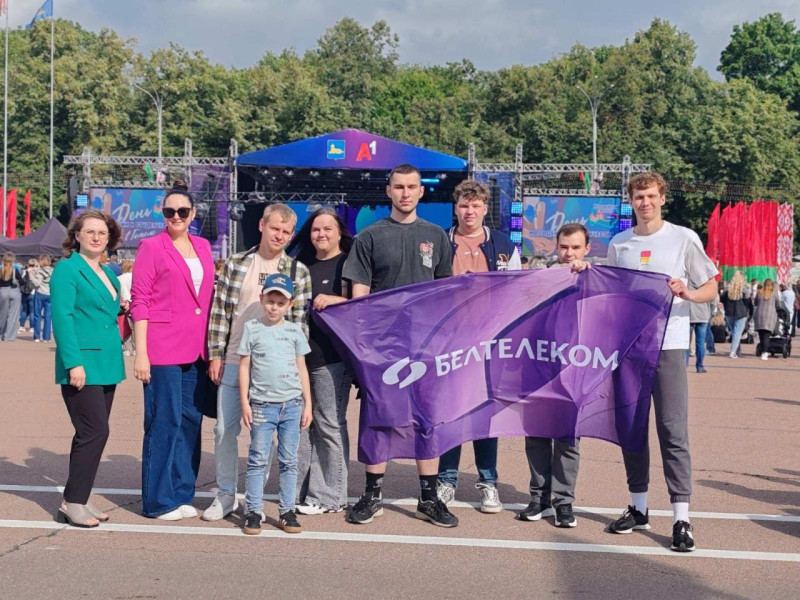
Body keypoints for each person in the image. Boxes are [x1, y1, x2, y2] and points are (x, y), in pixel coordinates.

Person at [606, 172, 717, 553]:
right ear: (631, 201)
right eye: (639, 197)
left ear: (662, 198)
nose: (645, 202)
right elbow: (612, 294)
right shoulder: (619, 243)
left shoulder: (683, 238)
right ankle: (638, 508)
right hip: (630, 348)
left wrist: (688, 292)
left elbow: (711, 286)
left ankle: (681, 518)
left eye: (651, 196)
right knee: (632, 429)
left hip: (669, 346)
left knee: (672, 430)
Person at [343, 163, 457, 528]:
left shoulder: (436, 236)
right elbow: (360, 297)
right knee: (378, 417)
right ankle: (372, 495)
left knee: (428, 418)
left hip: (425, 344)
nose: (405, 193)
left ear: (421, 191)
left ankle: (429, 498)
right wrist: (363, 347)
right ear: (388, 191)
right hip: (383, 346)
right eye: (399, 187)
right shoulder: (369, 236)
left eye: (411, 187)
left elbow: (445, 293)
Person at [203, 204, 312, 522]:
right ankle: (225, 494)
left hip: (275, 370)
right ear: (262, 226)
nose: (280, 235)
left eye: (286, 231)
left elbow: (300, 326)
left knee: (266, 436)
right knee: (224, 429)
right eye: (275, 228)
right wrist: (216, 353)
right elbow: (220, 311)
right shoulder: (236, 263)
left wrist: (294, 371)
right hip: (234, 359)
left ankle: (254, 499)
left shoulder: (298, 272)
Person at [435, 180, 520, 514]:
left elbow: (517, 293)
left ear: (485, 208)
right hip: (449, 342)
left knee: (485, 415)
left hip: (489, 343)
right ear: (455, 208)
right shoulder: (439, 241)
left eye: (475, 206)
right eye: (463, 206)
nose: (469, 211)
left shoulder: (503, 244)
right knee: (450, 414)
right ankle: (446, 480)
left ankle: (488, 482)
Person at [131, 188, 216, 520]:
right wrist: (141, 353)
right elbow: (140, 300)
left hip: (197, 349)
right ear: (162, 214)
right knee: (164, 421)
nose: (176, 217)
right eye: (169, 212)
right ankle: (158, 501)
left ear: (193, 213)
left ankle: (182, 493)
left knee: (191, 422)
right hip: (162, 347)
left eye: (182, 211)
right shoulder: (151, 246)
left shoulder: (204, 246)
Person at [51, 210, 126, 527]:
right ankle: (73, 502)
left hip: (107, 362)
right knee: (95, 431)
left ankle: (79, 496)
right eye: (90, 231)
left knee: (90, 433)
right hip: (82, 363)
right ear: (77, 235)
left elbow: (105, 312)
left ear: (109, 239)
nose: (97, 237)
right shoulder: (67, 269)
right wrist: (74, 363)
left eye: (102, 233)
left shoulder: (108, 272)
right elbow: (62, 318)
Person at [519, 222, 590, 528]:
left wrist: (589, 277)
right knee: (536, 435)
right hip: (536, 364)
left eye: (576, 247)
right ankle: (539, 498)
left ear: (587, 249)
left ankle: (563, 502)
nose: (569, 253)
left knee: (567, 437)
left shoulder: (594, 279)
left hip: (574, 369)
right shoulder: (541, 276)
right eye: (564, 247)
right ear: (556, 246)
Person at [286, 207, 355, 515]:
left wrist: (338, 301)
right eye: (316, 229)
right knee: (301, 424)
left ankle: (330, 496)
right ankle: (297, 492)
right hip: (298, 358)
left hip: (333, 359)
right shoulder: (299, 265)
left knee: (328, 423)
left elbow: (364, 303)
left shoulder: (350, 264)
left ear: (340, 232)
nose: (321, 234)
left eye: (328, 229)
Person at [240, 274, 313, 535]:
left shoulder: (294, 331)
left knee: (289, 460)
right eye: (270, 301)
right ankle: (253, 510)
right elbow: (245, 366)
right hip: (261, 404)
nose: (274, 307)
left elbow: (301, 368)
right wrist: (245, 402)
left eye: (280, 303)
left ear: (290, 304)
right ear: (262, 299)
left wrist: (308, 404)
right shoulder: (252, 328)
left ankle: (286, 510)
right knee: (258, 458)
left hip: (291, 404)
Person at [720, 271, 750, 359]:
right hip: (741, 313)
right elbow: (747, 302)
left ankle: (737, 350)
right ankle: (733, 352)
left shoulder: (727, 289)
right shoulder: (744, 289)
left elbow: (722, 300)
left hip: (729, 312)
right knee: (737, 333)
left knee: (734, 333)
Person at [754, 279, 781, 360]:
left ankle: (763, 350)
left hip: (759, 315)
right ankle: (764, 352)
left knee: (761, 334)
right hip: (770, 316)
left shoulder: (759, 292)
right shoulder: (774, 293)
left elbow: (755, 303)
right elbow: (778, 305)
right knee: (766, 335)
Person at [0, 252, 24, 341]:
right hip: (14, 291)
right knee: (13, 315)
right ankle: (9, 336)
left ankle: (1, 334)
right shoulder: (15, 270)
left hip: (3, 291)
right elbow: (22, 282)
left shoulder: (1, 270)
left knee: (2, 314)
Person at [30, 255, 54, 343]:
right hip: (50, 294)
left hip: (40, 293)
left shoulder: (39, 271)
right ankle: (46, 337)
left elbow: (37, 283)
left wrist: (31, 275)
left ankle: (37, 336)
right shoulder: (53, 271)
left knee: (37, 315)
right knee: (48, 316)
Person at [688, 293, 712, 373]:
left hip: (689, 314)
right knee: (700, 343)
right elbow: (713, 300)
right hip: (703, 315)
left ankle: (684, 366)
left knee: (686, 343)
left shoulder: (687, 285)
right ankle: (699, 366)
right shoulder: (706, 286)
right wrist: (709, 312)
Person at [117, 260, 135, 356]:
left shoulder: (118, 278)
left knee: (125, 326)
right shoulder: (134, 277)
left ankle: (127, 349)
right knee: (135, 326)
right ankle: (136, 348)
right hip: (134, 302)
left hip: (124, 304)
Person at [18, 258, 37, 333]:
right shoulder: (36, 271)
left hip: (24, 293)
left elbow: (21, 281)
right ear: (35, 264)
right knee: (32, 311)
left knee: (24, 310)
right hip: (33, 292)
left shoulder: (24, 271)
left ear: (28, 264)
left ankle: (21, 326)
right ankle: (32, 327)